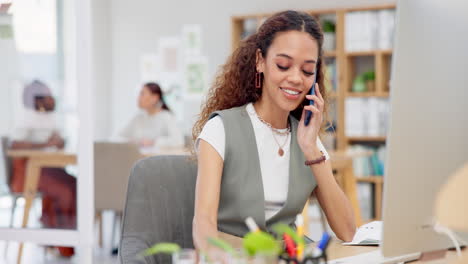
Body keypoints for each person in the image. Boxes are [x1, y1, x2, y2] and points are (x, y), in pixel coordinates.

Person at [192, 10, 356, 251]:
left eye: (307, 71)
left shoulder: (307, 138)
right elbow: (203, 222)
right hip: (233, 256)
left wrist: (311, 149)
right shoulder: (221, 129)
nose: (296, 78)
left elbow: (347, 230)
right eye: (283, 65)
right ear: (260, 61)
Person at [10, 80, 76, 257]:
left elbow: (59, 140)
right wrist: (45, 143)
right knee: (63, 191)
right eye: (47, 95)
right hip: (28, 171)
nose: (51, 99)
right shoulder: (26, 117)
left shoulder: (50, 117)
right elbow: (15, 145)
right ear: (37, 99)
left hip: (47, 168)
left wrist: (59, 141)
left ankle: (54, 232)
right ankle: (62, 244)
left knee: (74, 184)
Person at [119, 82, 184, 148]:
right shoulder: (139, 117)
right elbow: (120, 136)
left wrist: (153, 142)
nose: (138, 98)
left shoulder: (166, 117)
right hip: (139, 157)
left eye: (142, 94)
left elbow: (178, 141)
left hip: (156, 157)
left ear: (155, 98)